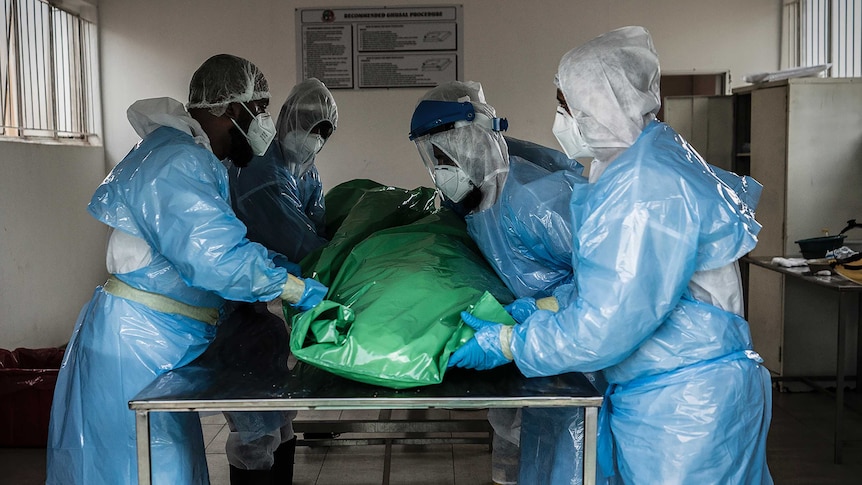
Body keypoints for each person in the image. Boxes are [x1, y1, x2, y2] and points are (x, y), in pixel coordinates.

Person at [447, 26, 774, 484]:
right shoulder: (636, 162)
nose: (562, 119)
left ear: (599, 102)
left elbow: (606, 325)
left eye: (566, 106)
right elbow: (618, 282)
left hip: (686, 407)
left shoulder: (644, 184)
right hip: (670, 390)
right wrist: (544, 308)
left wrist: (512, 343)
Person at [45, 54, 328, 485]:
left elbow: (220, 240)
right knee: (147, 468)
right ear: (234, 109)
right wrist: (294, 288)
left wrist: (279, 268)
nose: (265, 123)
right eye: (262, 109)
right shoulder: (180, 161)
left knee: (153, 464)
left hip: (147, 342)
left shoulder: (182, 155)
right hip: (137, 349)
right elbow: (216, 259)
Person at [408, 80, 590, 485]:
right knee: (530, 458)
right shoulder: (475, 202)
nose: (438, 170)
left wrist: (539, 310)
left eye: (442, 156)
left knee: (573, 464)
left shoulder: (540, 200)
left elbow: (607, 281)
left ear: (470, 144)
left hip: (579, 359)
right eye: (430, 158)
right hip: (536, 354)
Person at [218, 77, 338, 485]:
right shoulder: (261, 174)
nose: (315, 141)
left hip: (271, 306)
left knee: (279, 416)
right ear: (288, 120)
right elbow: (305, 245)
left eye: (324, 133)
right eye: (311, 129)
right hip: (244, 306)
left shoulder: (304, 172)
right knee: (255, 423)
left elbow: (317, 226)